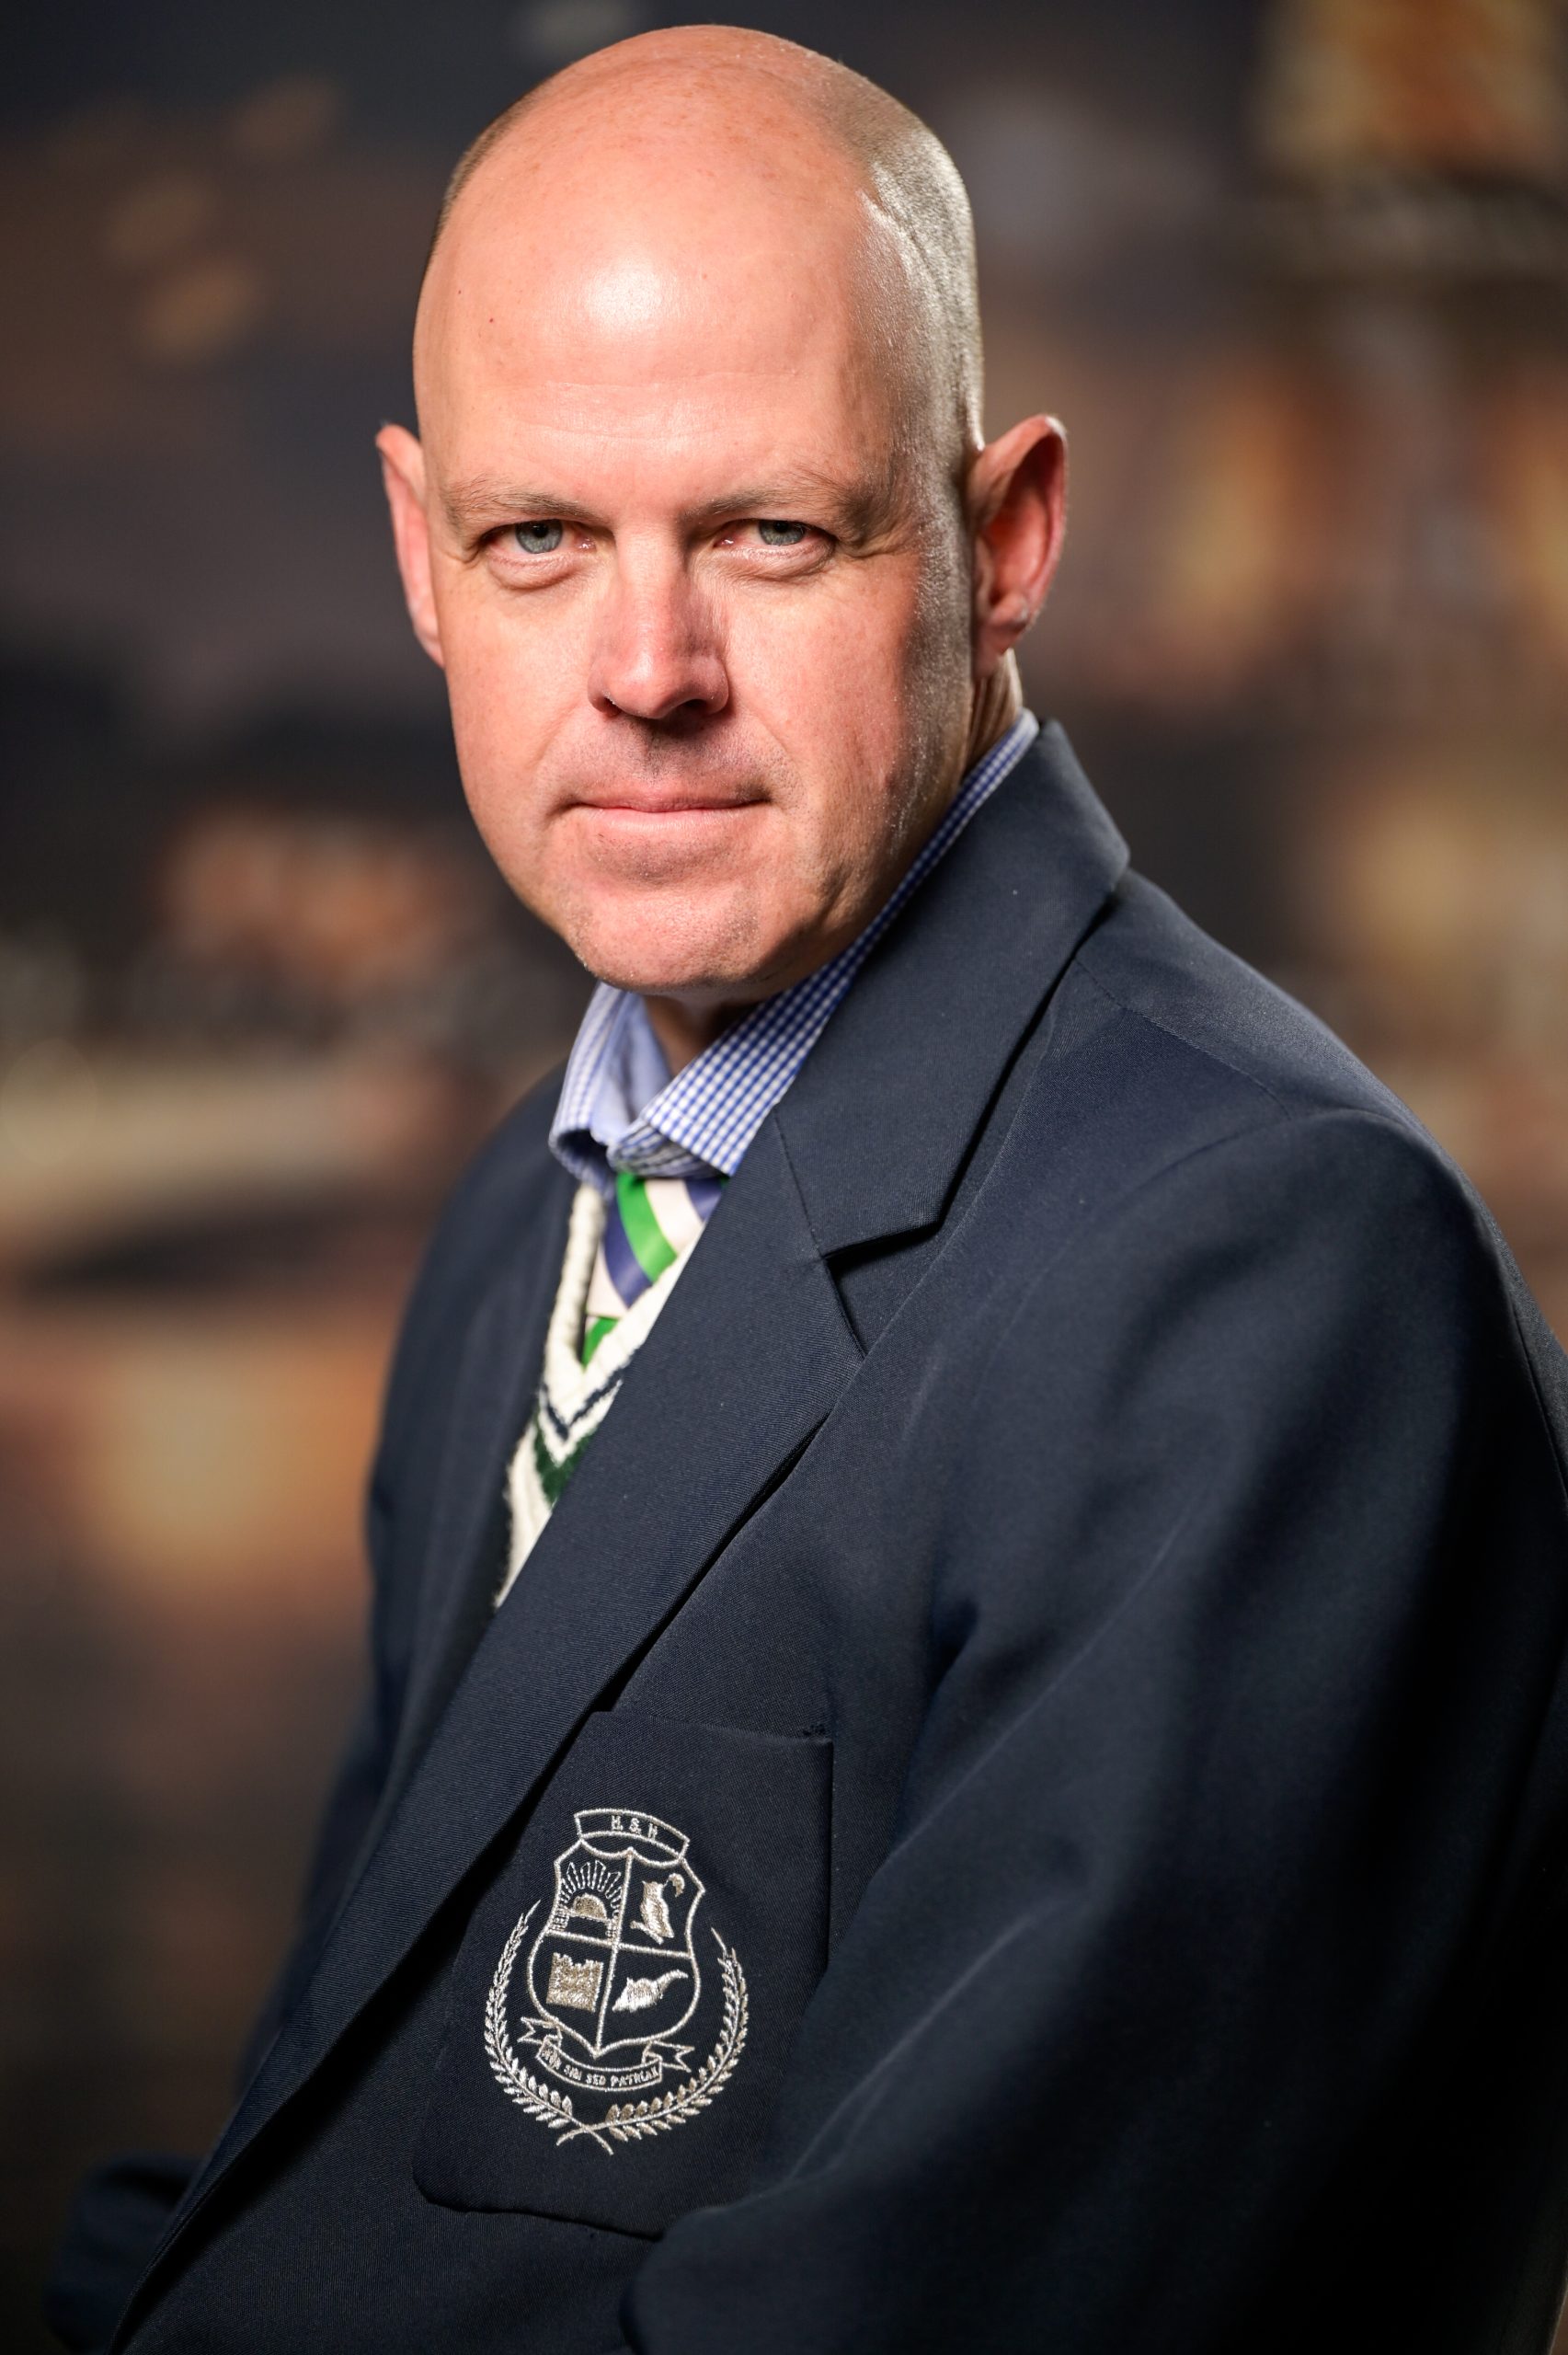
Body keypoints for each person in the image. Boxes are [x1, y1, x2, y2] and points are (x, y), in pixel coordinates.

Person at [48, 26, 1568, 2355]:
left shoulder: (1269, 1276)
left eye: (767, 531)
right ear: (421, 556)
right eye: (539, 539)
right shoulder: (519, 1220)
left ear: (1003, 539)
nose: (646, 672)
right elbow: (335, 2142)